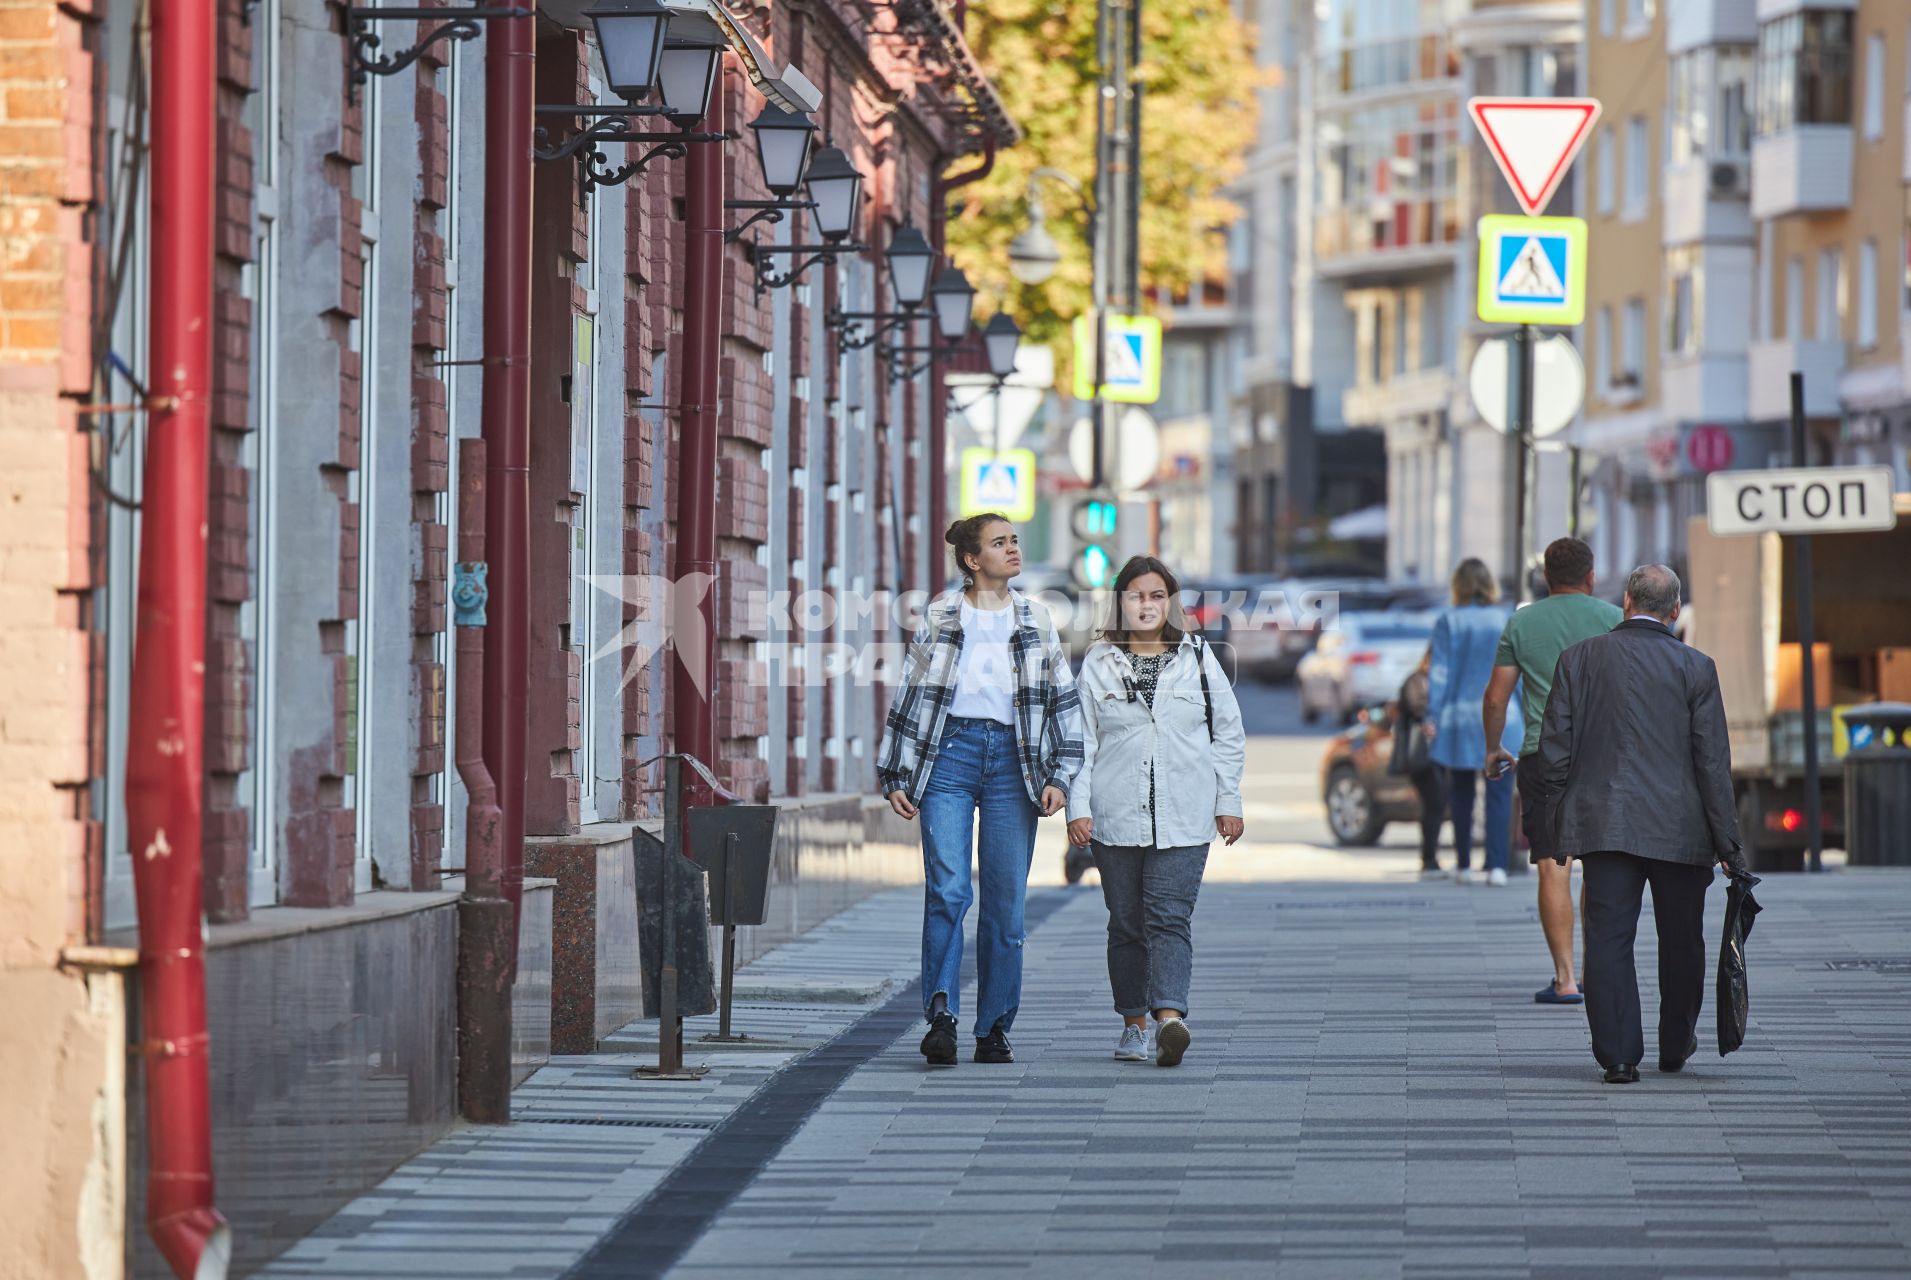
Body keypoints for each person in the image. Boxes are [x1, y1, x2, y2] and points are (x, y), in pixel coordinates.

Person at [878, 514, 1083, 1067]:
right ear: (972, 560)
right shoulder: (941, 615)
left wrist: (1060, 774)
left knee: (1006, 904)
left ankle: (993, 1026)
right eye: (1000, 543)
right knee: (947, 889)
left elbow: (1062, 696)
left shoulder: (1035, 617)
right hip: (949, 755)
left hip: (1012, 765)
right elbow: (912, 691)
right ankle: (941, 1014)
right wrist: (896, 772)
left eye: (1015, 540)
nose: (1013, 549)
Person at [1533, 565, 1747, 1083]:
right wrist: (1730, 845)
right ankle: (1675, 1044)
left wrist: (1554, 828)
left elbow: (1553, 753)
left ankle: (1619, 1056)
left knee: (1607, 937)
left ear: (1626, 601)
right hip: (1681, 828)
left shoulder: (1577, 660)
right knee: (1682, 938)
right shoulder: (1696, 668)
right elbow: (1712, 763)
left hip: (1603, 824)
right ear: (1675, 610)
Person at [1066, 556, 1245, 1067]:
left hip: (1185, 811)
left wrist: (1228, 800)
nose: (1147, 605)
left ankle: (1170, 1020)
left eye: (1156, 596)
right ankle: (1133, 1025)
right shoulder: (1100, 661)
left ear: (1170, 602)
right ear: (1121, 602)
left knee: (1170, 918)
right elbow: (1083, 744)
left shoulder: (1199, 657)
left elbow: (1228, 733)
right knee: (1126, 924)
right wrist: (1077, 809)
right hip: (1114, 815)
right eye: (1136, 596)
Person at [1483, 538, 1622, 1005]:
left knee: (1553, 865)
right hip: (1603, 755)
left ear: (1545, 578)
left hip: (1543, 755)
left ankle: (1564, 980)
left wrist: (1491, 747)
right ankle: (1593, 971)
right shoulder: (1612, 621)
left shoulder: (1522, 623)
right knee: (1599, 864)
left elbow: (1497, 697)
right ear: (1591, 576)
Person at [1424, 558, 1523, 886]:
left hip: (1459, 719)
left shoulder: (1448, 621)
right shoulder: (1504, 618)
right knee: (1500, 792)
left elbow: (1439, 673)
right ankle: (1496, 865)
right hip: (1504, 718)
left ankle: (1464, 863)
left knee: (1461, 792)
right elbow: (1517, 671)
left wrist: (1432, 715)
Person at [1390, 651, 1446, 878]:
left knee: (1437, 803)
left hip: (1436, 753)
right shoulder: (1416, 680)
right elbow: (1417, 706)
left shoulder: (1439, 681)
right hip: (1421, 755)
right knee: (1435, 802)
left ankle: (1430, 856)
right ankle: (1428, 857)